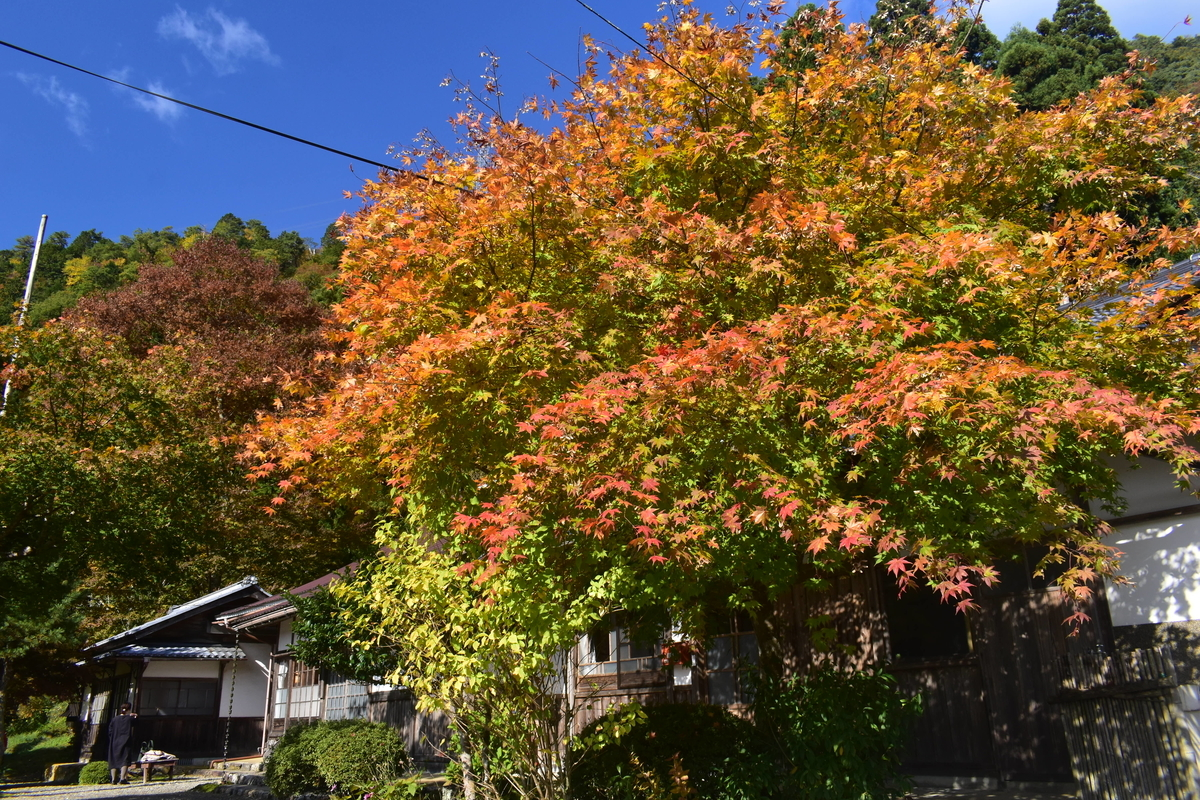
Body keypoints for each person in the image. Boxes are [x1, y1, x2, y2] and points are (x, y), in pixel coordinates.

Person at [106, 703, 137, 785]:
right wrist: (134, 716)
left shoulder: (114, 719)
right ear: (129, 710)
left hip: (114, 741)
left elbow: (110, 731)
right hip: (126, 741)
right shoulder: (130, 719)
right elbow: (135, 722)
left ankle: (113, 779)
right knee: (124, 759)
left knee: (113, 759)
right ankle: (122, 779)